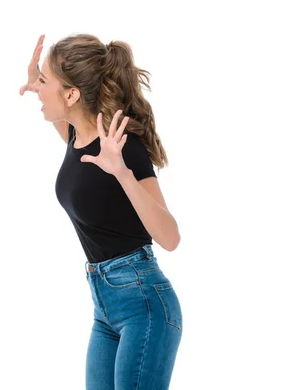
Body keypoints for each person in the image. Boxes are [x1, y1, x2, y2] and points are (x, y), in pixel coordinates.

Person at [20, 34, 182, 389]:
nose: (39, 88)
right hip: (105, 307)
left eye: (46, 82)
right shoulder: (77, 136)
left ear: (72, 94)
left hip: (143, 303)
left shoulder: (121, 148)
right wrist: (37, 81)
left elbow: (170, 238)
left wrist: (123, 173)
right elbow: (60, 121)